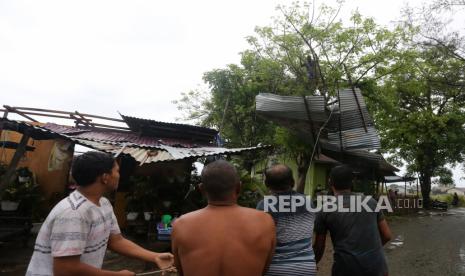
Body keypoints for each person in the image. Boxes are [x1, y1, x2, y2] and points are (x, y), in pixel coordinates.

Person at [26, 151, 174, 276]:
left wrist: (155, 257)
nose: (119, 175)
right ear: (105, 177)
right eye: (116, 171)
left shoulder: (103, 204)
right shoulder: (73, 213)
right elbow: (65, 269)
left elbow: (115, 240)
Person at [171, 160, 276, 276]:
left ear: (201, 189)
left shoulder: (181, 224)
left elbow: (180, 270)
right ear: (238, 188)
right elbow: (264, 269)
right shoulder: (264, 221)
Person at [313, 165, 392, 276]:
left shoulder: (324, 210)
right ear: (352, 182)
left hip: (346, 270)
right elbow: (387, 235)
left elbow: (319, 246)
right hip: (378, 268)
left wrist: (312, 263)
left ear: (330, 182)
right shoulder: (371, 202)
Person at [256, 164, 317, 276]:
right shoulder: (308, 202)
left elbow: (260, 241)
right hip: (306, 267)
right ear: (292, 182)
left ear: (267, 184)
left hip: (277, 268)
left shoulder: (264, 205)